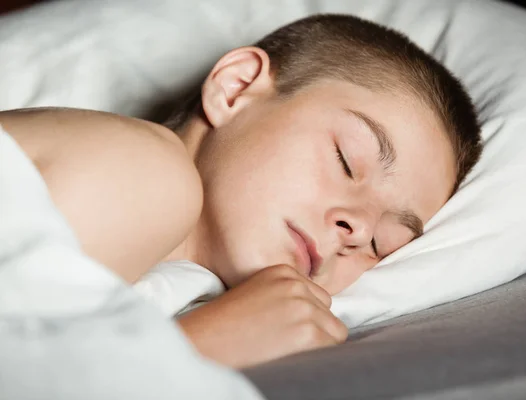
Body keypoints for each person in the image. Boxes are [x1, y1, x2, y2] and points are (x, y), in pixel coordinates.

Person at [0, 14, 482, 368]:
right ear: (234, 89)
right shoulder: (146, 166)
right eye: (346, 160)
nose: (356, 228)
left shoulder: (182, 284)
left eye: (382, 244)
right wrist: (196, 348)